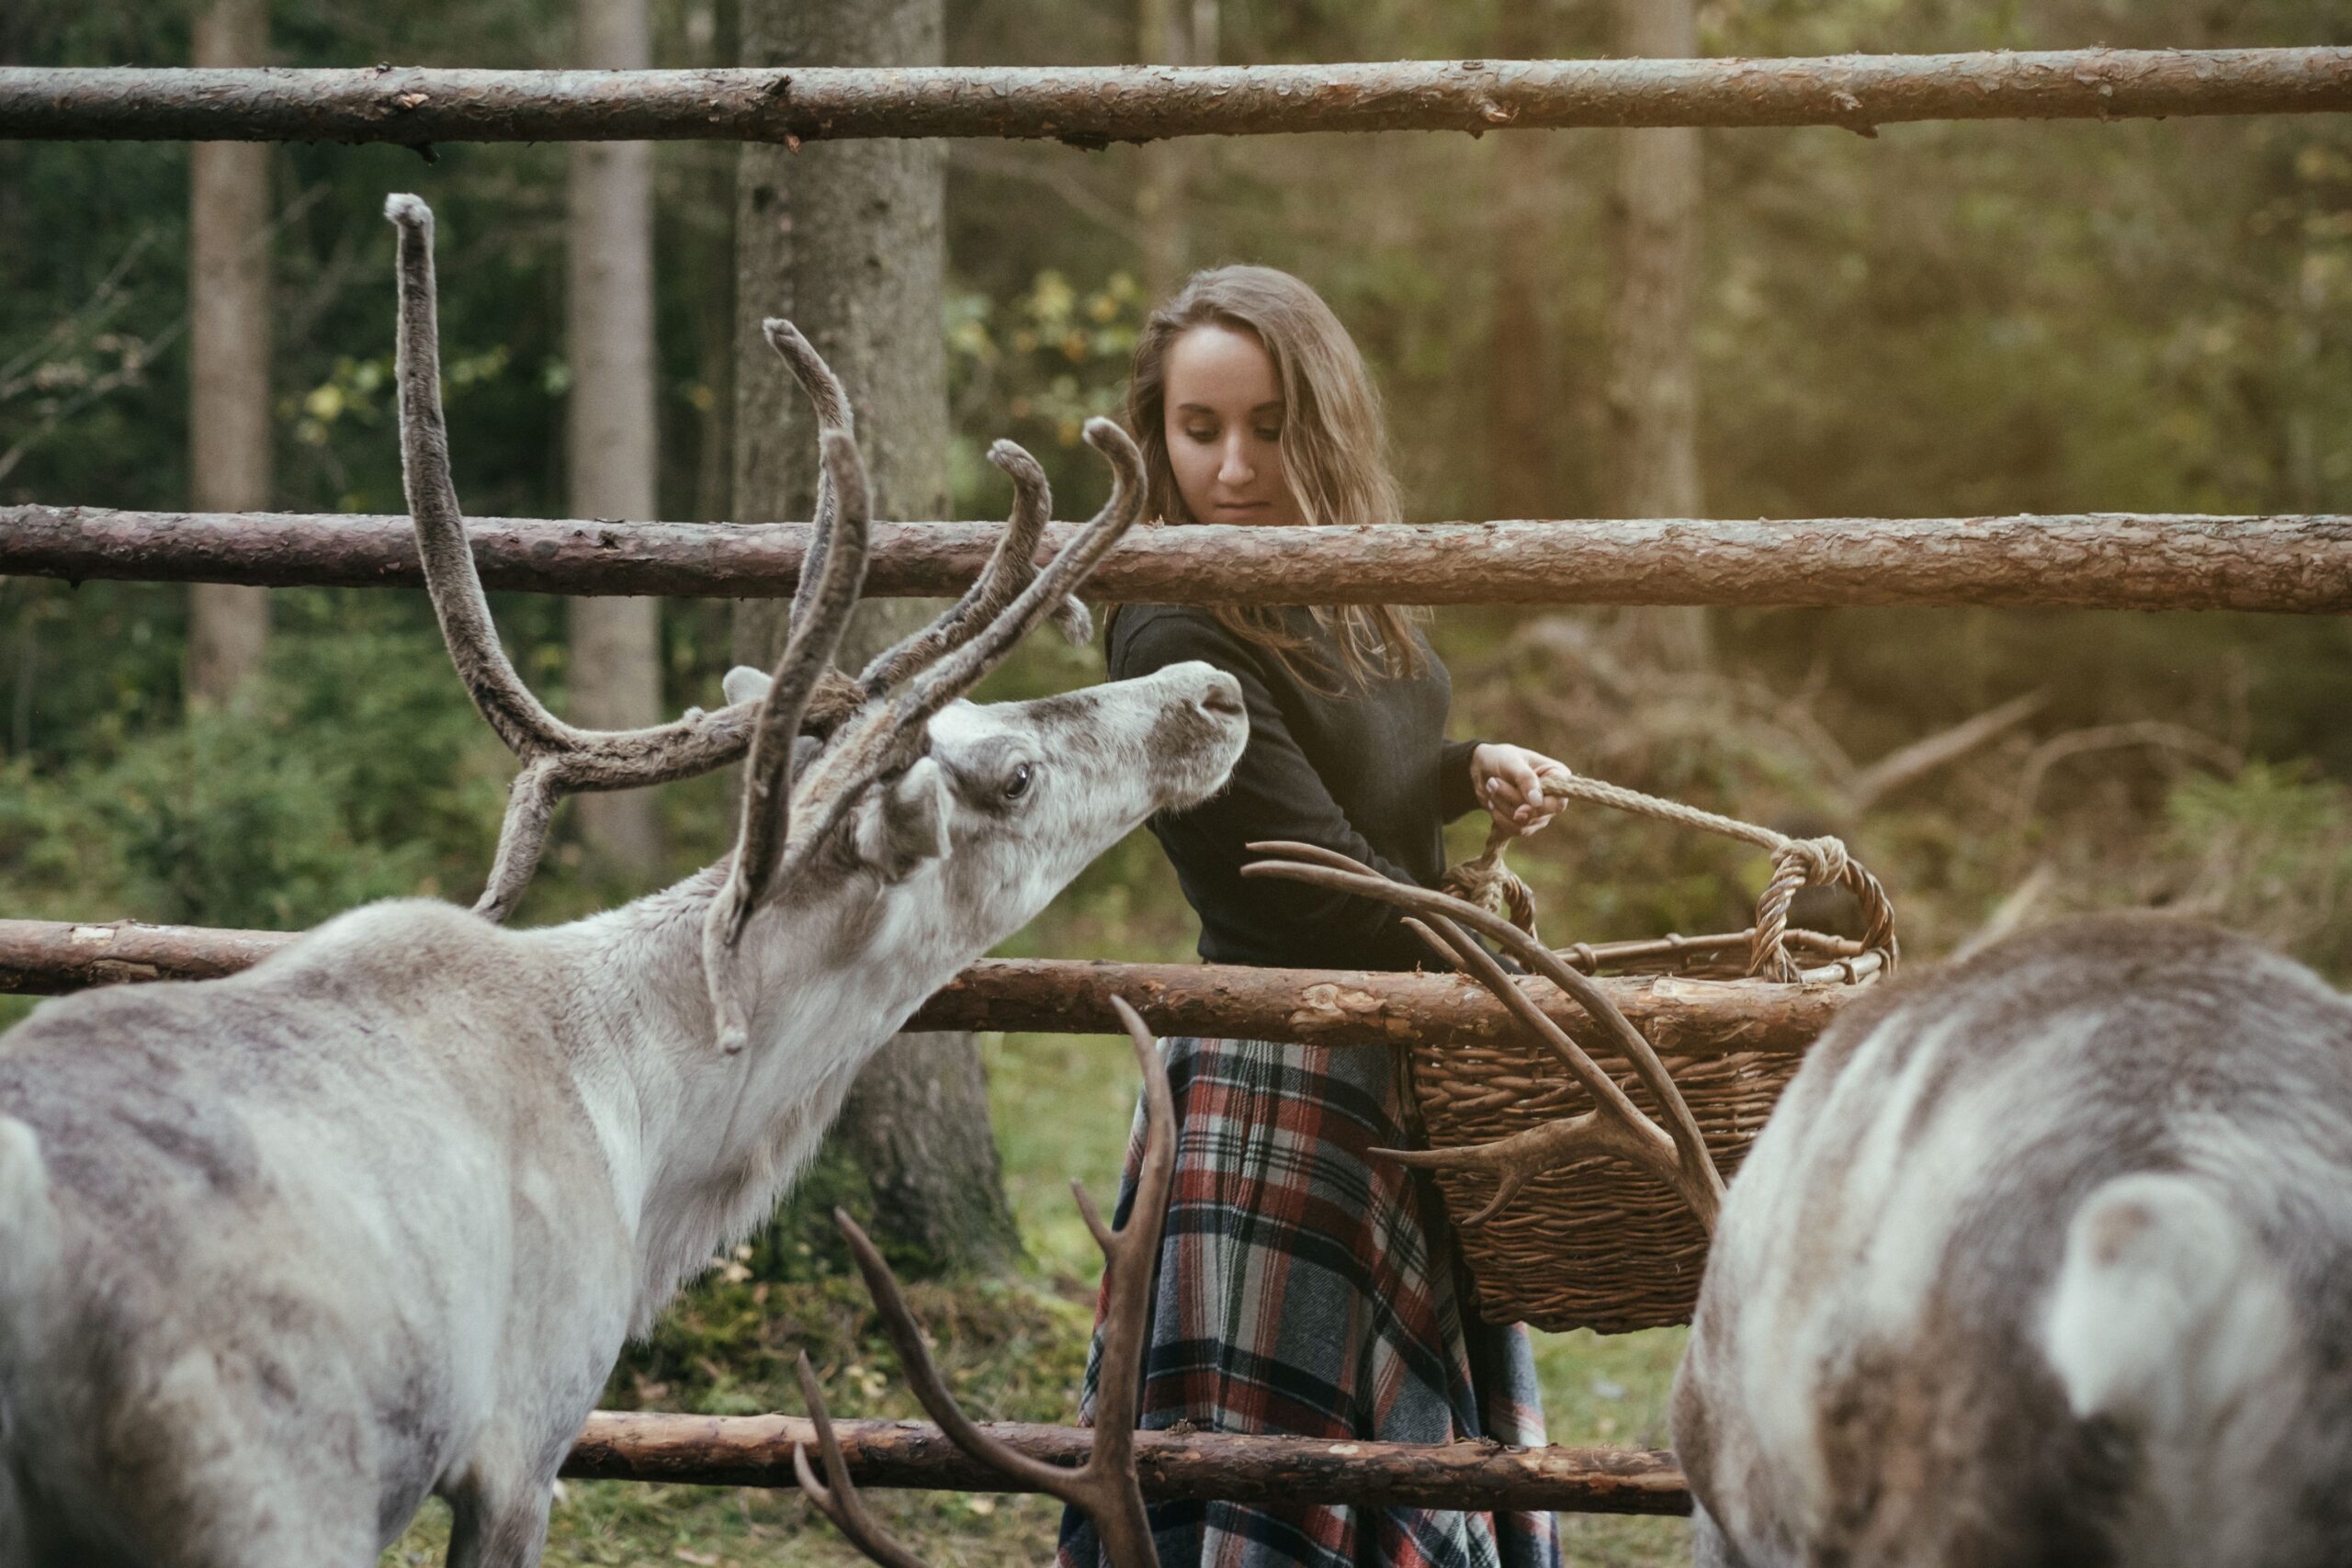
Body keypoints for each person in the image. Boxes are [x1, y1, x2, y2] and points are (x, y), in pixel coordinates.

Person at [1056, 265, 1568, 1568]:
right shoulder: (1171, 621)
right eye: (1199, 427)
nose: (1233, 464)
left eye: (1271, 427)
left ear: (1325, 422)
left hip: (1396, 1046)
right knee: (1270, 1474)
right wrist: (1503, 975)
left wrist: (1467, 769)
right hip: (1279, 1074)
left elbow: (1360, 782)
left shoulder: (1329, 575)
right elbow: (1307, 869)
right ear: (1157, 434)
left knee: (1381, 1452)